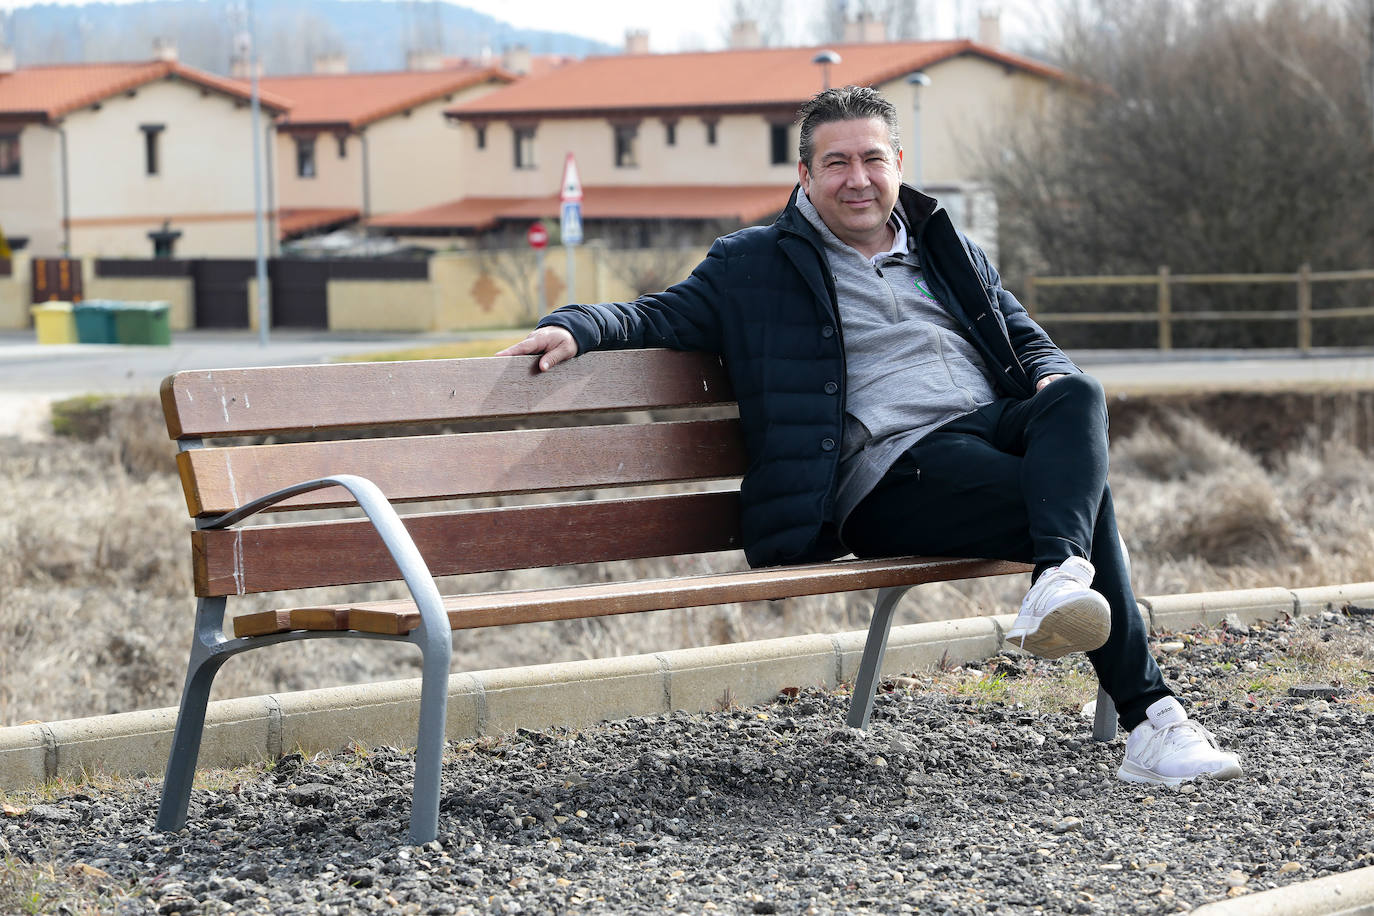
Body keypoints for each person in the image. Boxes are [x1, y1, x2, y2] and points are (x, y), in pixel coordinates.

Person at [498, 86, 1241, 787]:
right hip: (890, 474)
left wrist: (1047, 381)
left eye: (873, 159)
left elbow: (1030, 342)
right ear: (805, 174)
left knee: (1077, 391)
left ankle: (1066, 591)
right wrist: (575, 324)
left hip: (987, 436)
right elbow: (656, 314)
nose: (858, 179)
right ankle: (1149, 712)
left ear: (898, 166)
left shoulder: (945, 246)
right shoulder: (754, 263)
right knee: (1084, 503)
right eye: (838, 162)